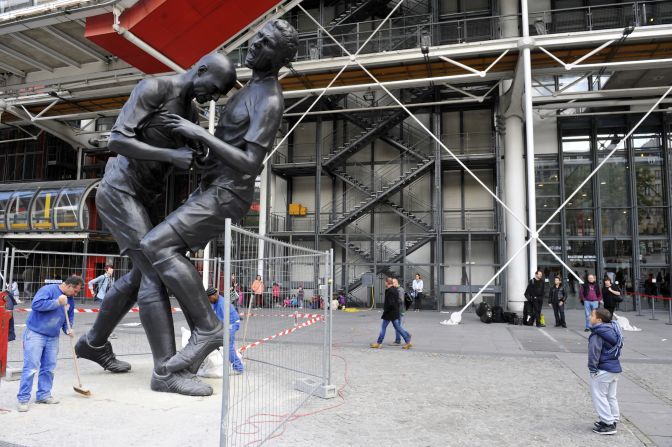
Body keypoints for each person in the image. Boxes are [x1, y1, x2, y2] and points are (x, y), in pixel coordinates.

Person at [137, 19, 299, 375]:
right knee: (161, 251)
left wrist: (199, 132)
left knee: (156, 246)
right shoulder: (246, 90)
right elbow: (229, 147)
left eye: (266, 43)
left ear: (278, 58)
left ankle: (208, 328)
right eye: (258, 36)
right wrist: (200, 152)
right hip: (212, 186)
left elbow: (251, 162)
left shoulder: (269, 99)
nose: (255, 43)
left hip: (229, 193)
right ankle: (201, 336)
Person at [74, 52, 237, 396]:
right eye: (216, 87)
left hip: (146, 199)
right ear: (201, 69)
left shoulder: (190, 112)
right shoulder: (155, 87)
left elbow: (178, 156)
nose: (215, 96)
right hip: (119, 191)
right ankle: (165, 372)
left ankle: (94, 342)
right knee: (153, 273)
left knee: (137, 275)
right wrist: (170, 155)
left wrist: (197, 156)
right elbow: (116, 140)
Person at [16, 275, 83, 412]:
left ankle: (43, 395)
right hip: (35, 333)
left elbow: (68, 318)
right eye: (75, 291)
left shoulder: (70, 299)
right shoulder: (48, 290)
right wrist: (57, 302)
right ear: (69, 285)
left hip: (53, 337)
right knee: (31, 368)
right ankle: (23, 399)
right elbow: (36, 305)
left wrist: (68, 329)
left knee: (49, 367)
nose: (75, 294)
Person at [588, 308, 623, 435]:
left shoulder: (598, 333)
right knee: (611, 396)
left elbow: (593, 353)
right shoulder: (613, 329)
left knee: (599, 396)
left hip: (603, 369)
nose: (589, 317)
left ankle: (608, 424)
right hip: (614, 368)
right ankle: (612, 419)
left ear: (599, 320)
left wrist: (592, 369)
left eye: (592, 315)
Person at [206, 287, 243, 374]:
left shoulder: (221, 304)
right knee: (226, 345)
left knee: (228, 347)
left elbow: (222, 322)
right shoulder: (215, 301)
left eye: (209, 298)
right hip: (227, 324)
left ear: (214, 295)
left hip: (231, 325)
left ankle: (238, 368)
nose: (209, 300)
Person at [370, 278, 412, 349]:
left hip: (389, 313)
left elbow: (391, 303)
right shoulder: (395, 290)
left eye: (385, 282)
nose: (385, 284)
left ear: (387, 283)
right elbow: (397, 301)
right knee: (397, 327)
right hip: (393, 313)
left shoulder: (390, 291)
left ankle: (379, 343)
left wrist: (386, 310)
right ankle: (408, 341)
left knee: (384, 328)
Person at [392, 278, 410, 346]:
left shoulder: (400, 290)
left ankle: (398, 340)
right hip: (397, 310)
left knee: (397, 326)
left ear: (396, 282)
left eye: (393, 283)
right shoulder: (396, 289)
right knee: (397, 326)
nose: (392, 284)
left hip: (399, 310)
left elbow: (401, 300)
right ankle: (405, 335)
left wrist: (393, 301)